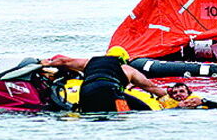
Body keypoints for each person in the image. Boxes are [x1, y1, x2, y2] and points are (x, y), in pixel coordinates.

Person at [42, 46, 203, 112]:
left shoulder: (90, 61)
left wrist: (44, 63)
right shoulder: (127, 69)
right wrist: (172, 100)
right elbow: (153, 88)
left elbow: (64, 61)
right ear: (124, 60)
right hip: (111, 92)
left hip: (86, 92)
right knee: (142, 113)